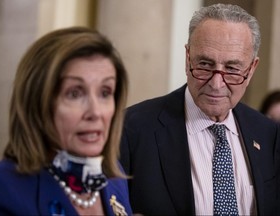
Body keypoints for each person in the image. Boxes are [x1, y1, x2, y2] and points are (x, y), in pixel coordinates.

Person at [120, 3, 280, 215]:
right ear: (188, 58)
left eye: (232, 69)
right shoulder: (131, 129)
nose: (216, 83)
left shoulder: (269, 134)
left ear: (251, 69)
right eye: (205, 64)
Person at [0, 26, 132, 215]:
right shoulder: (1, 190)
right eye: (74, 93)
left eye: (105, 92)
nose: (95, 112)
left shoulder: (114, 179)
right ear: (37, 101)